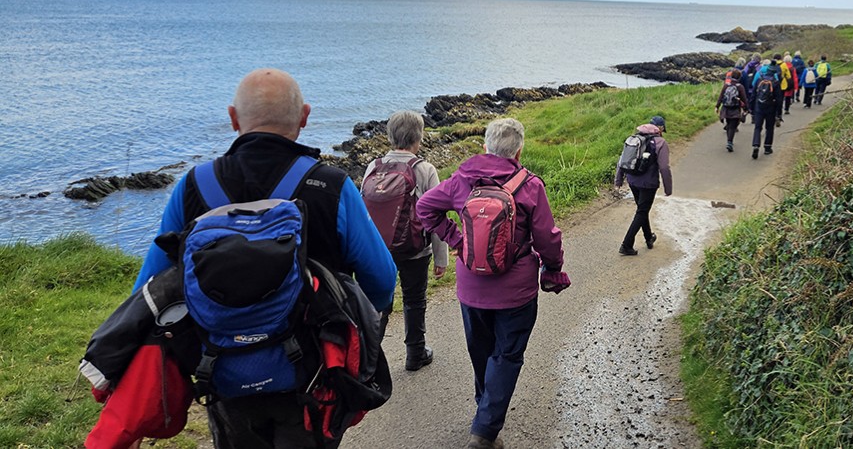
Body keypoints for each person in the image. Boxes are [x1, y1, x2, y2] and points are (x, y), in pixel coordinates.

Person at [133, 68, 397, 449]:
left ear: (233, 118)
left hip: (220, 369)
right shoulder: (332, 185)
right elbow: (382, 280)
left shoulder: (193, 186)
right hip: (313, 373)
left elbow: (149, 290)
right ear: (304, 117)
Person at [415, 118, 569, 449]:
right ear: (519, 150)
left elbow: (425, 207)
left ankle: (485, 413)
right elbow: (547, 238)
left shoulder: (460, 181)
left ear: (484, 147)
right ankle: (484, 432)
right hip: (516, 292)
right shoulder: (530, 186)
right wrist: (553, 269)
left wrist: (457, 241)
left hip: (471, 289)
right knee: (507, 356)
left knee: (481, 351)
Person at [362, 109, 448, 372]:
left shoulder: (372, 167)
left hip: (378, 250)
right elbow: (436, 216)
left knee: (379, 302)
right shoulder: (424, 169)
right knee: (414, 299)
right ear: (418, 137)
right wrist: (441, 257)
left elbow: (362, 213)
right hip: (414, 249)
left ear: (390, 136)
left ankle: (369, 359)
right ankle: (415, 354)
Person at [614, 115, 673, 255]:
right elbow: (664, 167)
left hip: (632, 181)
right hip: (648, 184)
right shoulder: (660, 143)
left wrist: (618, 181)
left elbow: (621, 161)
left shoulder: (634, 139)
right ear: (661, 128)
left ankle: (648, 238)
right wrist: (668, 188)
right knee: (641, 212)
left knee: (642, 209)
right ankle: (626, 244)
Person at [750, 60, 780, 159]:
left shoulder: (759, 79)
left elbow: (753, 95)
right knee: (769, 128)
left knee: (758, 128)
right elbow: (779, 99)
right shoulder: (775, 82)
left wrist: (751, 109)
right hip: (770, 108)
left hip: (759, 107)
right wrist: (779, 114)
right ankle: (767, 148)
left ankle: (756, 145)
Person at [717, 69, 749, 152]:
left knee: (728, 123)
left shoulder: (726, 85)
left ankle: (729, 141)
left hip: (726, 107)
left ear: (731, 76)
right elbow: (744, 99)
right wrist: (746, 109)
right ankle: (729, 142)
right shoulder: (740, 87)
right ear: (739, 77)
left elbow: (721, 96)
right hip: (735, 108)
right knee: (733, 126)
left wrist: (717, 106)